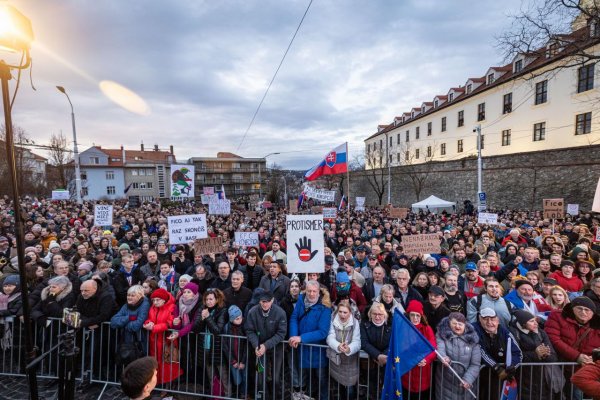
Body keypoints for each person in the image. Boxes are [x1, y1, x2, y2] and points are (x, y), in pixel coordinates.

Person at [546, 296, 600, 399]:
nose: (583, 312)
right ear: (572, 308)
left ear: (593, 313)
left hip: (582, 369)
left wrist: (590, 359)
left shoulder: (597, 324)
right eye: (579, 308)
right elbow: (554, 339)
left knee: (576, 395)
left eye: (587, 310)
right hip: (559, 364)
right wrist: (577, 356)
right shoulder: (558, 316)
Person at [289, 280, 332, 400]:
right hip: (303, 348)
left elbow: (322, 332)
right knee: (308, 378)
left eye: (314, 291)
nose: (311, 294)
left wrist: (301, 338)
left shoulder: (325, 307)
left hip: (318, 351)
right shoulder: (301, 299)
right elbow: (294, 318)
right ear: (305, 291)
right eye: (309, 291)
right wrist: (293, 336)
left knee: (321, 378)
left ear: (319, 292)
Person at [509, 309, 564, 400]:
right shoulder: (513, 333)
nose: (536, 324)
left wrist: (545, 354)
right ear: (523, 323)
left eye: (535, 320)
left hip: (544, 379)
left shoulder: (540, 332)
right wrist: (535, 354)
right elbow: (514, 356)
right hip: (523, 378)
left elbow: (553, 356)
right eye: (531, 321)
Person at [244, 290, 287, 400]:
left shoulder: (280, 313)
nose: (265, 304)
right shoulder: (252, 312)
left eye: (267, 301)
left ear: (272, 300)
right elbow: (249, 330)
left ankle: (275, 397)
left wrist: (266, 345)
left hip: (276, 348)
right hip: (259, 349)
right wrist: (256, 345)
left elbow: (281, 333)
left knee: (276, 377)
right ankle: (263, 397)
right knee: (260, 376)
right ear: (259, 301)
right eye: (263, 301)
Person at [473, 307, 522, 400]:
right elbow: (480, 351)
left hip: (500, 375)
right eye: (485, 319)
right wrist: (497, 368)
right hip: (481, 373)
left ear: (498, 320)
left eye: (492, 319)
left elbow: (518, 353)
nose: (489, 322)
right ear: (479, 320)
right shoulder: (474, 329)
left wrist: (512, 367)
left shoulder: (504, 331)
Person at [435, 313, 481, 400]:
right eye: (454, 323)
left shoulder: (473, 340)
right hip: (445, 384)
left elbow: (475, 364)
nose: (457, 326)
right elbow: (440, 349)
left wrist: (468, 379)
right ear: (449, 324)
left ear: (465, 325)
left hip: (465, 386)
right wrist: (443, 357)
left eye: (460, 324)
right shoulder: (441, 334)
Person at [143, 288, 182, 385]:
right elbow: (148, 319)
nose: (155, 302)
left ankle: (167, 385)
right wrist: (148, 323)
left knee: (167, 363)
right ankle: (157, 382)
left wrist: (154, 327)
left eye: (157, 300)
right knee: (155, 363)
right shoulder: (152, 308)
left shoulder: (172, 307)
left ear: (164, 300)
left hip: (166, 340)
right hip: (154, 339)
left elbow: (170, 323)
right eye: (153, 300)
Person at [401, 300, 437, 400]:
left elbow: (433, 347)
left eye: (418, 315)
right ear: (408, 315)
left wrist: (426, 359)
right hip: (407, 372)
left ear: (421, 316)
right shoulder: (403, 328)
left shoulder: (427, 329)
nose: (415, 318)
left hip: (423, 373)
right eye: (413, 315)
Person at [326, 299, 361, 398]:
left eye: (345, 312)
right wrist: (338, 346)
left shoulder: (355, 323)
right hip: (336, 359)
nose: (342, 314)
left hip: (350, 361)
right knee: (340, 386)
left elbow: (357, 341)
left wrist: (349, 348)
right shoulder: (333, 320)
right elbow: (330, 336)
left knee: (350, 388)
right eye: (340, 312)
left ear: (350, 313)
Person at [110, 285, 151, 362]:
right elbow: (113, 322)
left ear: (139, 296)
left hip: (139, 342)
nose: (129, 297)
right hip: (126, 341)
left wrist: (123, 324)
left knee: (138, 365)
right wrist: (129, 318)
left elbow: (137, 325)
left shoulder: (145, 305)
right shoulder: (126, 306)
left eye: (133, 295)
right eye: (128, 295)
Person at [360, 302, 391, 397]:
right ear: (370, 314)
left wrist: (384, 357)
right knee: (371, 388)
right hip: (370, 363)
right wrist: (378, 356)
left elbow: (393, 343)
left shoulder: (390, 325)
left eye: (380, 314)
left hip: (386, 362)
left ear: (384, 315)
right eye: (375, 314)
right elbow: (364, 343)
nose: (377, 317)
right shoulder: (364, 325)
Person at [222, 305, 248, 398]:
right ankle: (237, 392)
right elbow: (225, 346)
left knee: (245, 378)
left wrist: (243, 361)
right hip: (233, 359)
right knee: (237, 379)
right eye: (237, 318)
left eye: (240, 317)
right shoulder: (226, 328)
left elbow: (247, 345)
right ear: (231, 319)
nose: (240, 320)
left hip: (243, 359)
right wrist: (233, 361)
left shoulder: (245, 326)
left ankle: (243, 394)